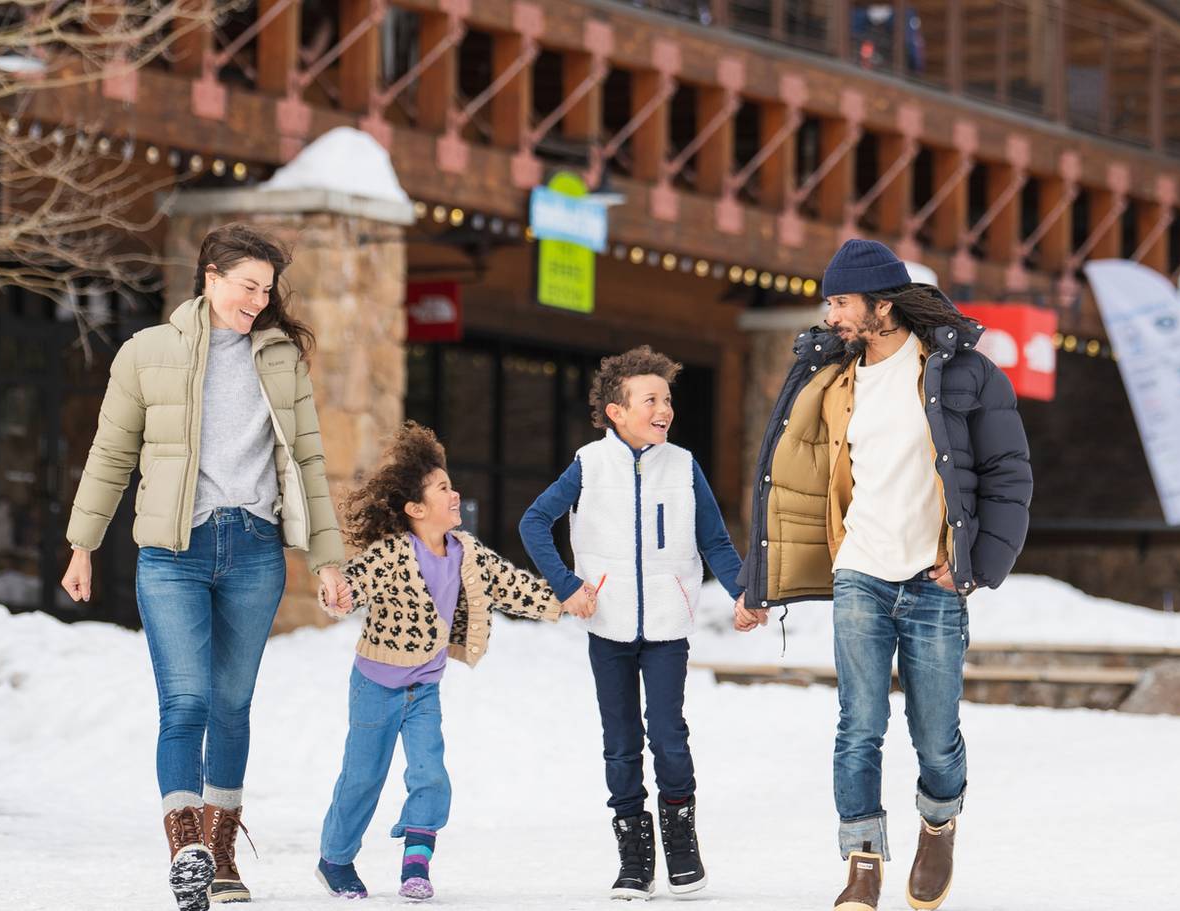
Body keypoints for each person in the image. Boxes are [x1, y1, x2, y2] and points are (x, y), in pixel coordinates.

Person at [61, 222, 352, 910]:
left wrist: (329, 558)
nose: (259, 299)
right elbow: (111, 453)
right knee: (185, 702)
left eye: (267, 290)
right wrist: (84, 542)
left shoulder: (280, 359)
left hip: (254, 548)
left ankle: (221, 853)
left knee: (231, 705)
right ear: (211, 277)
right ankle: (187, 847)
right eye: (248, 286)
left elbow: (307, 463)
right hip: (172, 553)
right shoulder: (146, 353)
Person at [735, 239, 1032, 911]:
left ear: (882, 304)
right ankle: (861, 861)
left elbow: (1007, 473)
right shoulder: (830, 379)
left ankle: (939, 818)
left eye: (841, 301)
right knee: (858, 724)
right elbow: (783, 481)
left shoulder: (961, 374)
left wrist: (976, 566)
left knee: (935, 732)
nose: (830, 314)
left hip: (934, 580)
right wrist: (761, 579)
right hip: (860, 573)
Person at [519, 345, 743, 900]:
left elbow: (714, 539)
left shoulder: (684, 466)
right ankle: (634, 857)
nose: (664, 408)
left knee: (668, 737)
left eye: (667, 399)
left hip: (668, 626)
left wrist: (746, 594)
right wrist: (568, 587)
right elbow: (534, 521)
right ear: (616, 412)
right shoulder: (588, 465)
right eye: (650, 400)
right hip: (608, 626)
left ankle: (682, 842)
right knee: (620, 744)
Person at [315, 421, 571, 901]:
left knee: (430, 772)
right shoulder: (392, 553)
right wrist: (339, 595)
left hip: (424, 688)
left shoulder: (466, 553)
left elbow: (514, 587)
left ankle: (417, 860)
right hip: (376, 685)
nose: (454, 495)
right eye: (442, 489)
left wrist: (566, 601)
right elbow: (355, 581)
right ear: (415, 509)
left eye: (451, 486)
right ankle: (335, 859)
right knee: (363, 777)